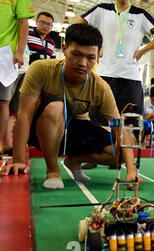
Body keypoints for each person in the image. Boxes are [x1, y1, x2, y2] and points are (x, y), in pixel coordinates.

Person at [0, 23, 140, 190]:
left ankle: (74, 160)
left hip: (72, 132)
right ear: (65, 49)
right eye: (76, 54)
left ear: (98, 57)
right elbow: (24, 115)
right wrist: (19, 160)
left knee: (124, 145)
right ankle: (52, 171)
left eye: (90, 58)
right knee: (56, 107)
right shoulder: (41, 69)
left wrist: (132, 171)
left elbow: (118, 127)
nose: (82, 63)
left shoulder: (100, 87)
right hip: (41, 130)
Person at [74, 0, 154, 116]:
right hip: (105, 75)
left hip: (130, 77)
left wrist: (142, 51)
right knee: (99, 120)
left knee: (131, 123)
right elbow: (76, 25)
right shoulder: (101, 10)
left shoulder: (141, 14)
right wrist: (96, 46)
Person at [0, 0, 35, 156]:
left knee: (5, 104)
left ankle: (6, 145)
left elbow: (23, 22)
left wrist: (19, 52)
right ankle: (6, 144)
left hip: (6, 57)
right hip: (12, 61)